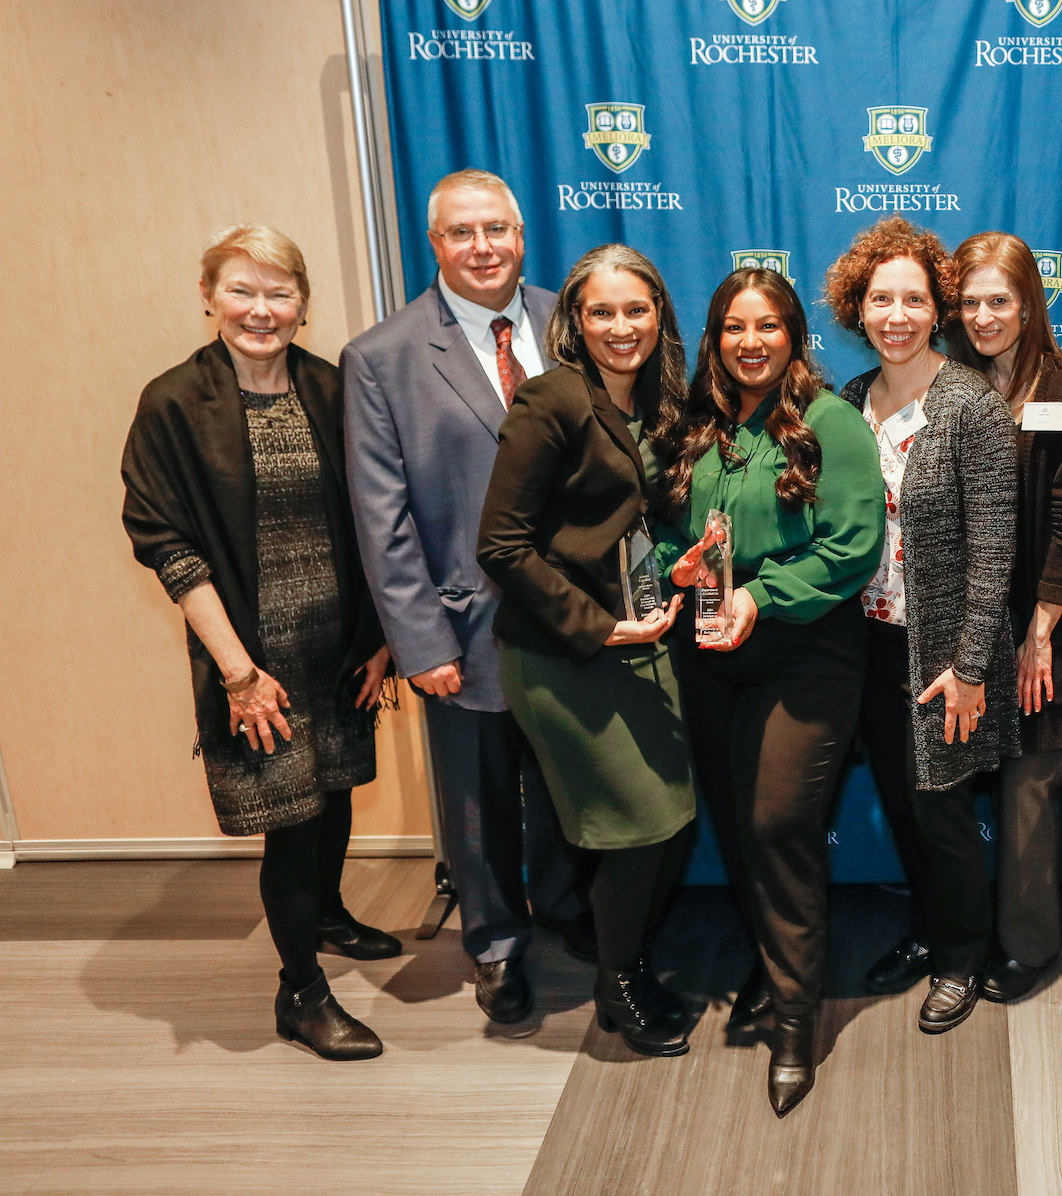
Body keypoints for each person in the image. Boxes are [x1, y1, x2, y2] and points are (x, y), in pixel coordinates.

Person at [122, 225, 394, 1060]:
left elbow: (378, 518)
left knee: (337, 787)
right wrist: (238, 672)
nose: (261, 310)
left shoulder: (333, 385)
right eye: (242, 290)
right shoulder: (173, 401)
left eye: (279, 293)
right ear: (209, 296)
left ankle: (326, 911)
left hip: (336, 643)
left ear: (303, 305)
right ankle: (300, 993)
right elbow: (164, 541)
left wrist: (380, 636)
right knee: (292, 817)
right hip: (255, 654)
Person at [343, 169, 595, 1027]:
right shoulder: (381, 358)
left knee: (566, 778)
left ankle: (564, 908)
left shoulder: (577, 321)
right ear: (435, 244)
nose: (482, 248)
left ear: (522, 235)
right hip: (464, 625)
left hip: (573, 616)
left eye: (496, 229)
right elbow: (382, 520)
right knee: (478, 800)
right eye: (462, 233)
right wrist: (421, 643)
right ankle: (494, 945)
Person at [658, 267, 884, 1116]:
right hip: (712, 648)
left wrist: (762, 593)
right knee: (736, 823)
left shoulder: (830, 424)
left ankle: (795, 1023)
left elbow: (853, 546)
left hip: (804, 650)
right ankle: (769, 960)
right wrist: (679, 567)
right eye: (732, 327)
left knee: (776, 822)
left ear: (794, 334)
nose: (749, 342)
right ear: (715, 338)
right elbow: (663, 523)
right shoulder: (695, 424)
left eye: (768, 326)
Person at [475, 244, 699, 1058]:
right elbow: (500, 545)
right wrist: (598, 624)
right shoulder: (551, 399)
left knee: (667, 820)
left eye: (635, 309)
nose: (620, 326)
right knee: (637, 825)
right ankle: (620, 988)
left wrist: (668, 570)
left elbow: (615, 524)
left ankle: (624, 961)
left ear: (659, 315)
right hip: (564, 656)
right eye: (600, 311)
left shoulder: (653, 401)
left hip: (639, 641)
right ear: (572, 320)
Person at [832, 216, 1020, 1034]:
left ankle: (961, 956)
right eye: (881, 298)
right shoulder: (846, 402)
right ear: (857, 307)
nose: (897, 314)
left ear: (936, 307)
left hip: (944, 655)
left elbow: (994, 546)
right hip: (868, 646)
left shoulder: (970, 403)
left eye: (913, 298)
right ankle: (926, 932)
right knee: (903, 807)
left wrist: (973, 664)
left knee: (943, 812)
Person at [943, 232, 1062, 1004]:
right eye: (970, 302)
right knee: (948, 785)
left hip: (1047, 622)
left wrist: (1039, 631)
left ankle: (1030, 942)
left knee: (1030, 790)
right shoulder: (945, 381)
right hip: (963, 620)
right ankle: (955, 931)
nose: (983, 316)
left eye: (998, 301)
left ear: (1029, 303)